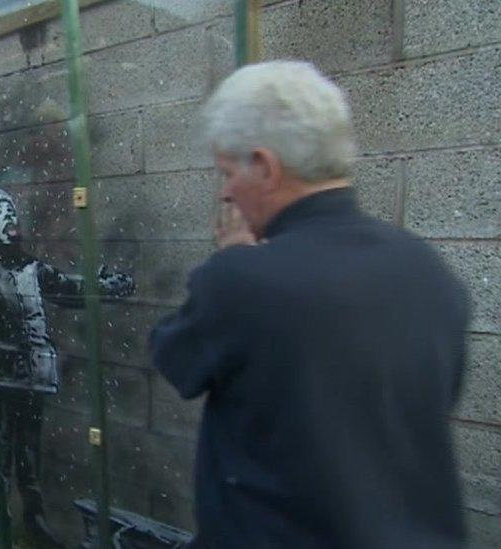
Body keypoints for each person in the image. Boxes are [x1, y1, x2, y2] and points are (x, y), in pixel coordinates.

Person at [149, 61, 470, 547]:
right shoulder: (427, 268)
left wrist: (230, 259)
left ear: (265, 166)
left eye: (228, 171)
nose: (226, 191)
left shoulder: (240, 279)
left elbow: (175, 359)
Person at [0, 188, 134, 546]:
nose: (9, 216)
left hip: (34, 378)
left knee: (29, 455)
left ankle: (34, 519)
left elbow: (68, 288)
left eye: (12, 210)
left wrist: (107, 285)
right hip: (1, 378)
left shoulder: (31, 267)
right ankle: (1, 517)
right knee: (1, 451)